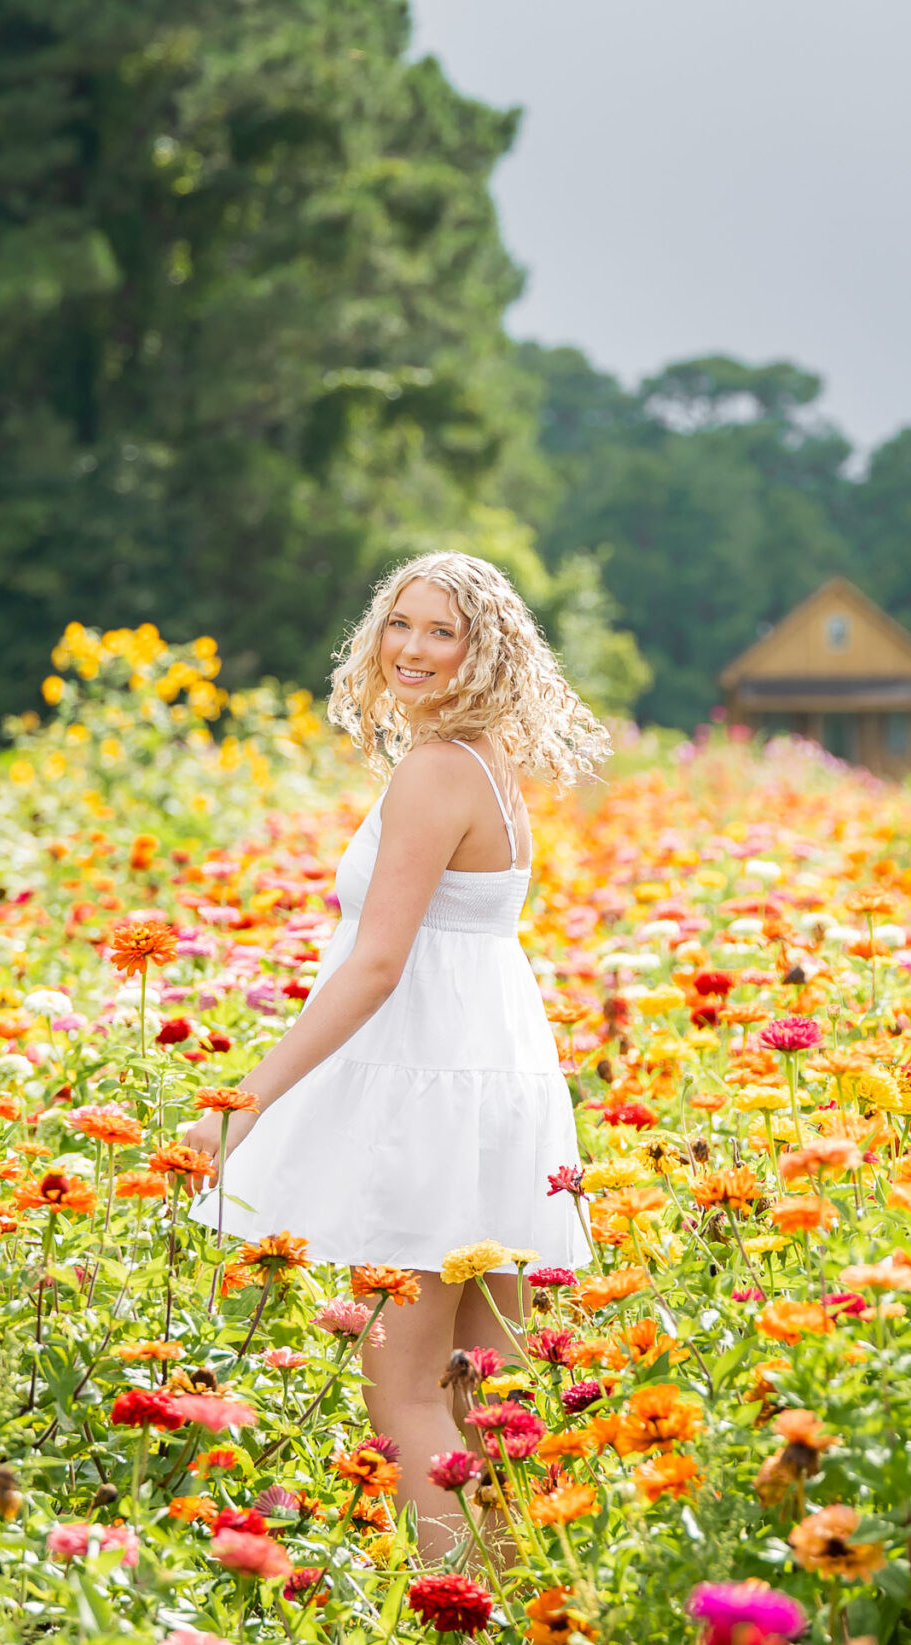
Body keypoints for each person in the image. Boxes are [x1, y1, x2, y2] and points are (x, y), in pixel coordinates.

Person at [179, 550, 611, 1563]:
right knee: (486, 1390)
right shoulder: (485, 768)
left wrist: (244, 1103)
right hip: (494, 1075)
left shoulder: (433, 771)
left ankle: (451, 1630)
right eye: (400, 624)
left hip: (434, 1082)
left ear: (484, 652)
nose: (412, 649)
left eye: (441, 632)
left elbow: (375, 967)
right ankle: (529, 1631)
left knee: (407, 1388)